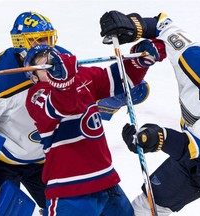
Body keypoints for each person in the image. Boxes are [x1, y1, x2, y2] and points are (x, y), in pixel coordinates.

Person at [99, 11, 200, 216]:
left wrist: (156, 137)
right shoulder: (194, 58)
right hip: (193, 163)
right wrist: (134, 26)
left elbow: (189, 146)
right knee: (146, 208)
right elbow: (163, 25)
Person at [23, 36, 166, 215]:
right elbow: (63, 106)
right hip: (69, 189)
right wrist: (63, 80)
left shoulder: (83, 77)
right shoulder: (36, 95)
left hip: (106, 182)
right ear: (34, 77)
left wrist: (141, 60)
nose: (47, 58)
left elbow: (121, 78)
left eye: (49, 53)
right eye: (39, 60)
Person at [0, 11, 72, 215]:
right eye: (37, 40)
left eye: (48, 38)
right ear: (20, 43)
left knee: (70, 209)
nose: (45, 46)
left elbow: (88, 94)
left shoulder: (63, 63)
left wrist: (117, 89)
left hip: (46, 158)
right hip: (5, 161)